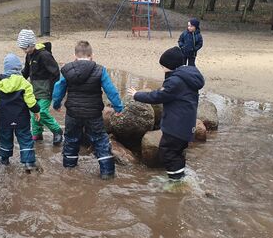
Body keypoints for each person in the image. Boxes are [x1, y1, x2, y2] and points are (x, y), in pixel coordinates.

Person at [128, 46, 205, 181]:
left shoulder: (175, 81)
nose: (162, 69)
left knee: (167, 152)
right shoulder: (186, 77)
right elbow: (168, 92)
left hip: (176, 127)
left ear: (170, 66)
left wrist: (137, 95)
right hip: (186, 126)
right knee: (177, 152)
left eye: (163, 66)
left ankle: (176, 181)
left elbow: (157, 96)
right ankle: (180, 175)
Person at [52, 40, 123, 180]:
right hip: (93, 113)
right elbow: (111, 90)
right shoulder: (100, 70)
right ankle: (107, 172)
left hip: (73, 113)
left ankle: (69, 167)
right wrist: (118, 106)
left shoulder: (67, 69)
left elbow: (58, 88)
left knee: (71, 139)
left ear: (74, 55)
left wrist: (56, 104)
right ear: (92, 55)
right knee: (100, 139)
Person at [0, 53, 40, 169]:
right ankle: (29, 162)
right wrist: (36, 110)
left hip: (5, 119)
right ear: (18, 68)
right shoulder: (24, 83)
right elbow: (30, 101)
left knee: (5, 137)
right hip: (22, 119)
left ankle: (4, 158)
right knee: (25, 137)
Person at [17, 29, 63, 145]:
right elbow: (26, 72)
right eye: (22, 49)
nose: (24, 51)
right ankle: (37, 133)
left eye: (25, 48)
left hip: (46, 90)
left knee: (41, 111)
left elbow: (56, 72)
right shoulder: (29, 55)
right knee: (34, 111)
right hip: (34, 89)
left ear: (31, 44)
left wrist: (53, 90)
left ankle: (57, 131)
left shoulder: (44, 55)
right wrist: (17, 80)